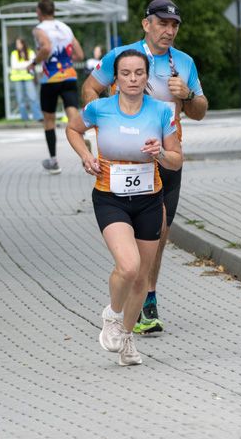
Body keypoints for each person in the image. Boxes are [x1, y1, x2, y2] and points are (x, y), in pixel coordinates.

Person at [82, 0, 207, 334]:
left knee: (160, 230)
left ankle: (146, 295)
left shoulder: (184, 63)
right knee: (132, 234)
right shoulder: (124, 59)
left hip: (166, 157)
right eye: (162, 23)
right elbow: (89, 88)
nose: (168, 31)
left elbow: (200, 110)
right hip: (126, 162)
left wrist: (187, 96)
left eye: (174, 25)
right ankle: (133, 284)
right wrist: (107, 123)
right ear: (146, 24)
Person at [67, 50, 182, 366]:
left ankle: (127, 338)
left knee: (142, 277)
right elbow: (72, 129)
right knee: (129, 266)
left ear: (147, 77)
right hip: (110, 198)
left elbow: (177, 159)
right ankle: (113, 314)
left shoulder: (161, 111)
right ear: (115, 78)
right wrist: (86, 156)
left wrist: (159, 153)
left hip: (149, 199)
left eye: (139, 73)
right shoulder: (100, 109)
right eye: (126, 73)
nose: (133, 79)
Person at [27, 0, 85, 174]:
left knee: (49, 120)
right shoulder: (65, 28)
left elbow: (45, 48)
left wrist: (33, 62)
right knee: (72, 113)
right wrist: (66, 61)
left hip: (50, 79)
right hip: (69, 76)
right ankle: (82, 140)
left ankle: (53, 162)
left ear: (39, 12)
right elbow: (80, 54)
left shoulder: (39, 29)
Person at [10, 38, 43, 122]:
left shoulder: (30, 52)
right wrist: (26, 64)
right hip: (17, 79)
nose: (17, 45)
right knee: (20, 99)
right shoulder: (14, 54)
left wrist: (22, 65)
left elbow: (33, 63)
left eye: (18, 43)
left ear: (23, 44)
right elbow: (14, 66)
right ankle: (25, 118)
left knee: (33, 97)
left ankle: (38, 117)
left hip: (28, 78)